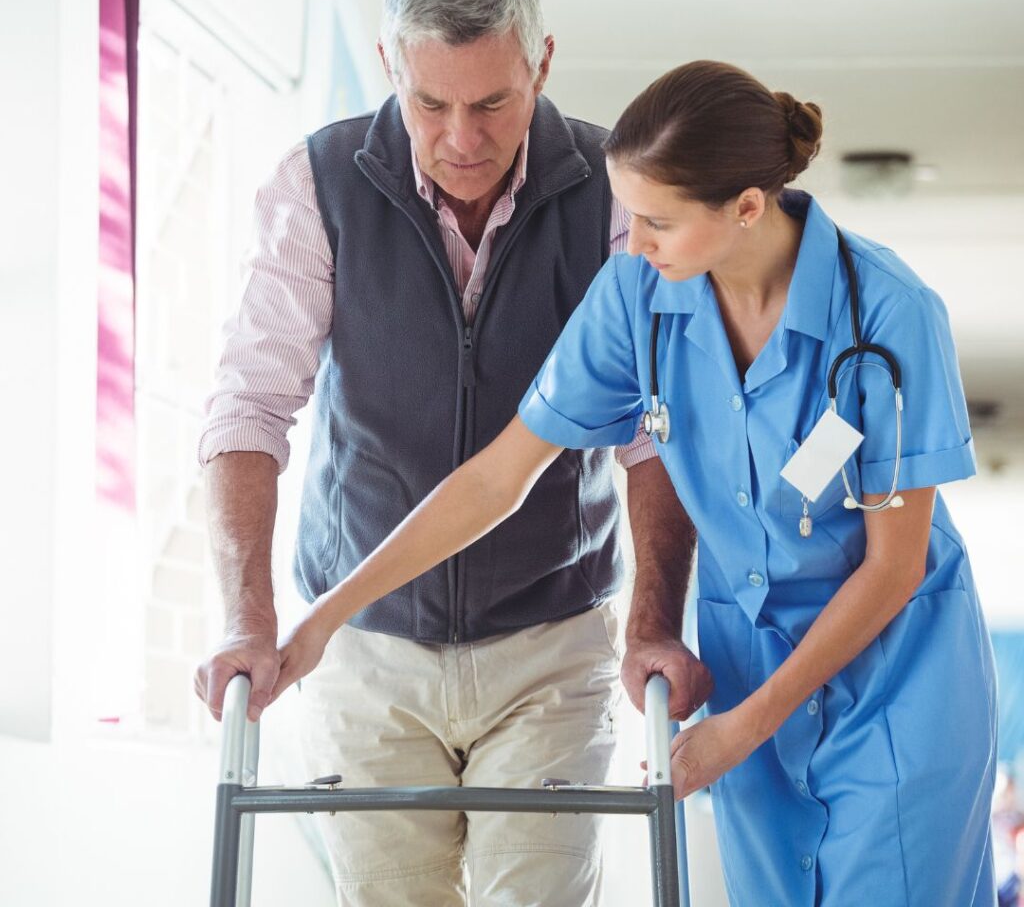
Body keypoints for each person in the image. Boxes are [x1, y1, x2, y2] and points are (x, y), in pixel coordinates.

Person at [268, 60, 999, 905]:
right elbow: (498, 477)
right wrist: (326, 617)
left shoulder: (889, 314)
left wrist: (741, 729)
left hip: (894, 678)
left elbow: (894, 569)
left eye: (656, 222)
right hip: (747, 660)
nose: (635, 242)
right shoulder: (636, 299)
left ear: (747, 210)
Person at [194, 0, 709, 907]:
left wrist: (652, 625)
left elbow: (653, 431)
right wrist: (249, 620)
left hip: (550, 641)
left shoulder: (613, 195)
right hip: (366, 647)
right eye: (430, 104)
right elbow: (250, 406)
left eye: (492, 103)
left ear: (540, 62)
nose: (462, 137)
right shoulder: (322, 185)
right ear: (391, 66)